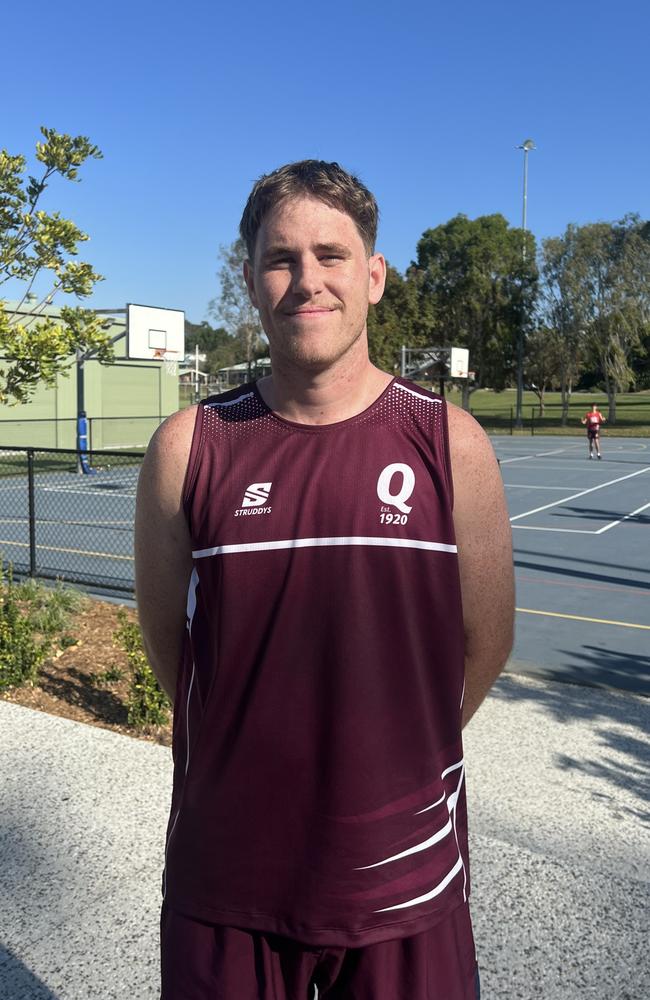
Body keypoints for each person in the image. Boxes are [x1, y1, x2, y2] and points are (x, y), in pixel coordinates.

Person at [135, 160, 514, 1000]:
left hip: (404, 883)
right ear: (250, 280)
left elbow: (485, 645)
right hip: (225, 879)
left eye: (331, 255)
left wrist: (394, 754)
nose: (307, 280)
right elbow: (173, 648)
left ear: (373, 276)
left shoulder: (450, 444)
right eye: (281, 259)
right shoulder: (189, 446)